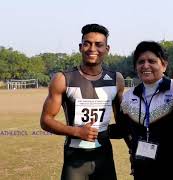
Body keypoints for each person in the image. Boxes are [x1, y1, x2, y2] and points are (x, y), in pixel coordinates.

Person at [40, 23, 124, 180]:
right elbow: (45, 121)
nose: (93, 49)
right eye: (87, 43)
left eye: (99, 44)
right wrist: (77, 132)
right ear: (80, 47)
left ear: (107, 49)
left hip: (104, 157)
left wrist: (133, 151)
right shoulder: (63, 79)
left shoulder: (116, 79)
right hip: (75, 158)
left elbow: (122, 124)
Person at [119, 41, 173, 180]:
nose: (145, 66)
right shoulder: (128, 97)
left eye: (151, 61)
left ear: (164, 65)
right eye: (140, 62)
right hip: (143, 167)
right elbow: (125, 129)